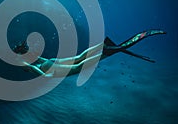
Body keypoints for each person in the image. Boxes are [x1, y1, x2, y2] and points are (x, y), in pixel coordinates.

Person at [13, 30, 166, 78]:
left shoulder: (32, 67)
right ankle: (103, 45)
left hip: (52, 69)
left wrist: (30, 66)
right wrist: (25, 56)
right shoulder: (33, 62)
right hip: (52, 62)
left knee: (81, 63)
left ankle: (107, 51)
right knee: (79, 57)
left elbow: (44, 75)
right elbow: (37, 58)